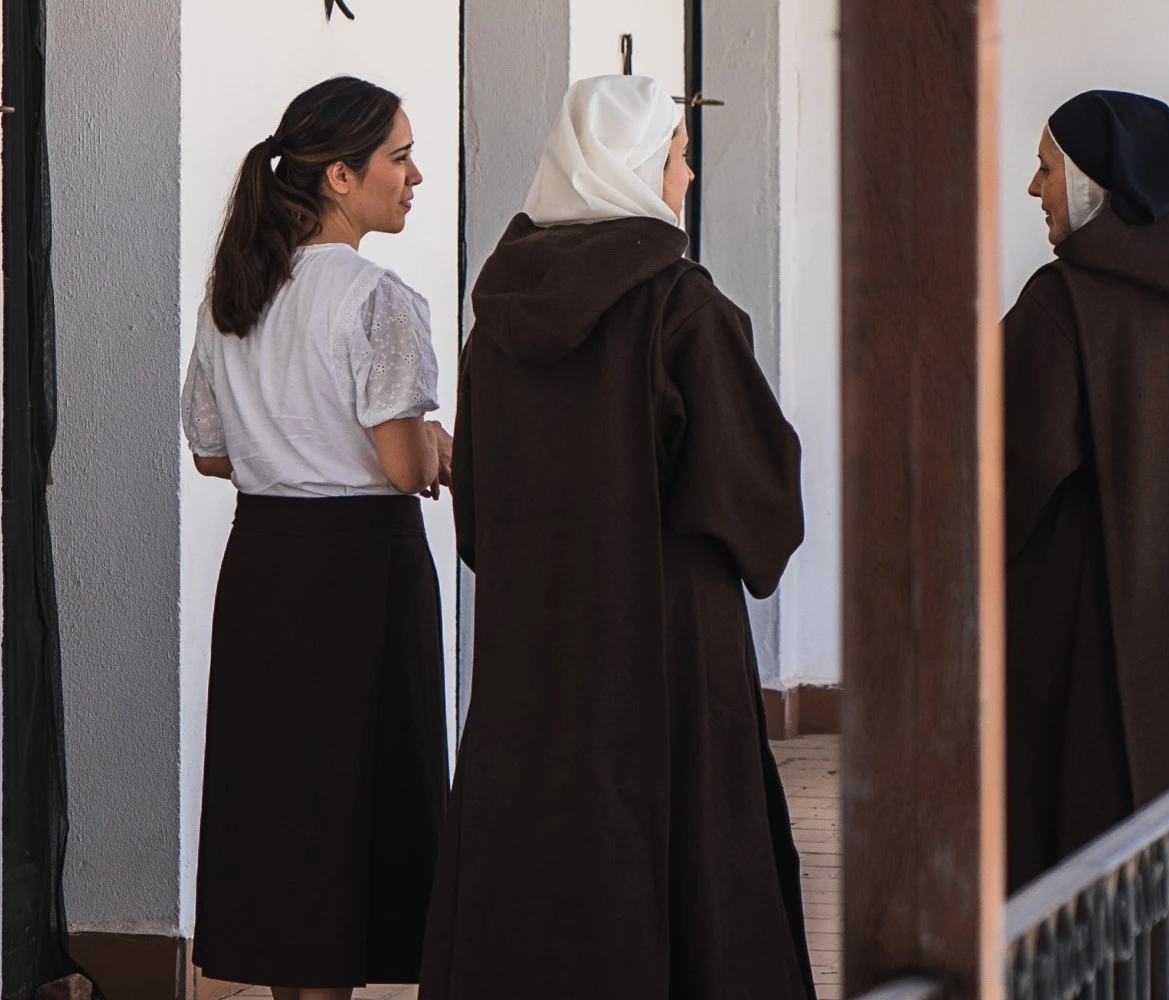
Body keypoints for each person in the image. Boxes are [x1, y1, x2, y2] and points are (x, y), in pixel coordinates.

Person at [419, 76, 815, 1000]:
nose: (685, 180)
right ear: (637, 168)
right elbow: (752, 485)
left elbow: (475, 503)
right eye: (677, 159)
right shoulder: (681, 306)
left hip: (535, 638)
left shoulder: (498, 324)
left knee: (538, 835)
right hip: (670, 636)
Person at [181, 76, 452, 1000]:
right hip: (361, 573)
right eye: (400, 157)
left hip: (264, 570)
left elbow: (212, 454)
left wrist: (288, 442)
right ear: (340, 175)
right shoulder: (378, 299)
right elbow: (406, 468)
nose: (416, 176)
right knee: (361, 789)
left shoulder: (235, 292)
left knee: (283, 792)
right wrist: (437, 444)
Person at [1004, 90, 1169, 891]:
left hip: (1090, 633)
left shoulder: (1062, 305)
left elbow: (994, 470)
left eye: (1047, 168)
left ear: (1093, 181)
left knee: (1095, 848)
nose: (1034, 188)